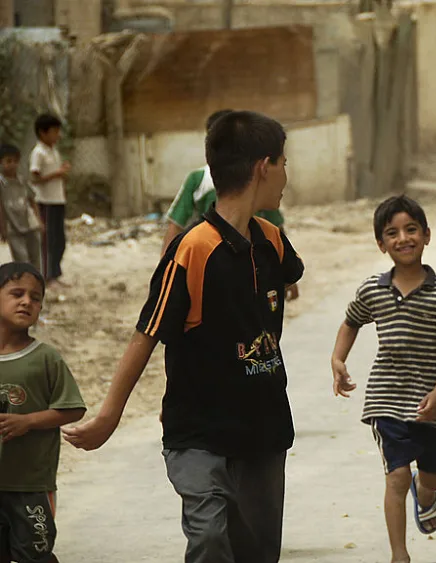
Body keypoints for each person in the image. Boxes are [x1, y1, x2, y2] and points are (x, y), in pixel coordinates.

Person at [62, 111, 305, 563]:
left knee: (257, 552)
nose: (287, 174)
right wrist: (108, 417)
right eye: (285, 162)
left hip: (264, 430)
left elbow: (278, 295)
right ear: (263, 167)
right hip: (199, 433)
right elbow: (147, 332)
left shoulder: (272, 240)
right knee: (210, 537)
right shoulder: (193, 249)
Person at [331, 195, 436, 563]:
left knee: (432, 475)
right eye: (392, 233)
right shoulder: (373, 289)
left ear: (426, 235)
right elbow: (351, 322)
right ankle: (399, 555)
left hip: (432, 402)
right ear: (381, 243)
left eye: (411, 230)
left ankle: (426, 495)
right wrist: (338, 359)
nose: (402, 238)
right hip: (386, 398)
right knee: (397, 476)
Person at [162, 109, 299, 301]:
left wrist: (286, 274)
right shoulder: (194, 246)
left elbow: (276, 224)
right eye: (283, 165)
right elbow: (175, 224)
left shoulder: (268, 234)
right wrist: (166, 269)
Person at [0, 261, 87, 563]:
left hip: (30, 484)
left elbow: (71, 408)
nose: (27, 301)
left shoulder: (44, 358)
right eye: (17, 293)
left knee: (34, 554)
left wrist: (28, 422)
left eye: (36, 298)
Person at [29, 114, 71, 287]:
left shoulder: (53, 150)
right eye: (54, 131)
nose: (57, 135)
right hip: (45, 201)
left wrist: (62, 174)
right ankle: (47, 276)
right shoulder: (38, 152)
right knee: (48, 241)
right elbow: (35, 178)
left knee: (59, 240)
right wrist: (58, 173)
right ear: (43, 133)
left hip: (57, 200)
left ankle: (55, 272)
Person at [0, 144, 44, 272]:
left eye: (15, 161)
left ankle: (37, 284)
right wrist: (2, 228)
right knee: (21, 259)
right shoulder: (2, 184)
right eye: (8, 161)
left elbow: (32, 200)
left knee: (35, 257)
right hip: (13, 227)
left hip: (29, 224)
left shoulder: (22, 180)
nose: (12, 164)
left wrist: (38, 220)